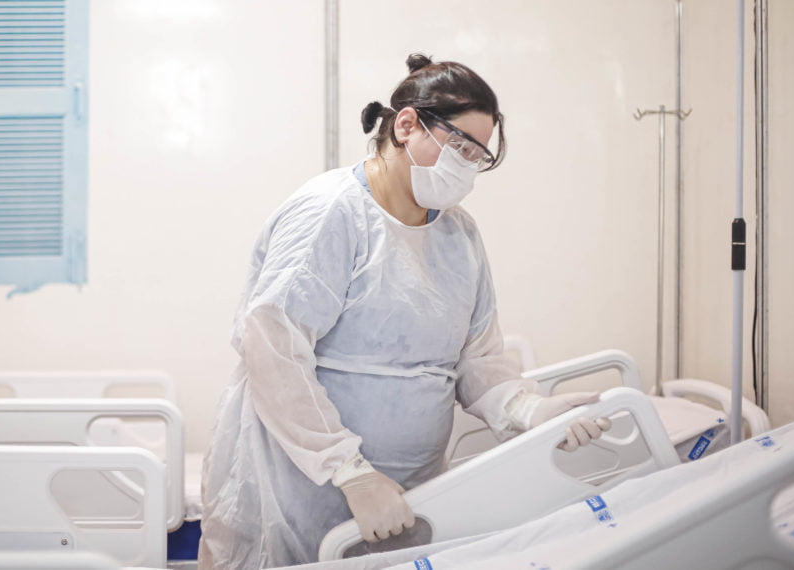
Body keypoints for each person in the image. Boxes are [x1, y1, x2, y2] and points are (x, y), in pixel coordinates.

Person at [198, 53, 611, 569]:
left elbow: (477, 360)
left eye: (476, 156)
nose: (466, 167)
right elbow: (273, 349)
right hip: (301, 489)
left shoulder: (458, 234)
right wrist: (350, 472)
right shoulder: (332, 213)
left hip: (411, 496)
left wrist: (529, 409)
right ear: (407, 125)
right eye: (459, 145)